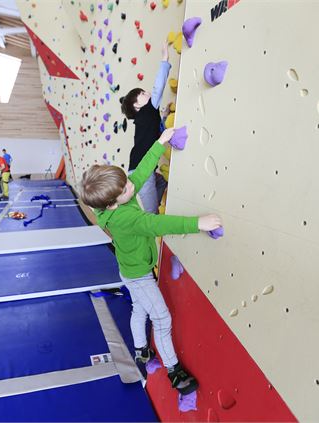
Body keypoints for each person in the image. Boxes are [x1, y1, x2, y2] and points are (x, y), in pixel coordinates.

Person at [79, 128, 223, 395]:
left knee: (139, 310)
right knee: (161, 318)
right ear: (111, 204)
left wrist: (159, 143)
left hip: (131, 269)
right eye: (125, 188)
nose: (131, 186)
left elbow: (140, 174)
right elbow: (156, 223)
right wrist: (197, 223)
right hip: (138, 275)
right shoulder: (124, 218)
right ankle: (173, 371)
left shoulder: (118, 197)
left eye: (126, 181)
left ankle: (140, 348)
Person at [120, 42, 171, 214]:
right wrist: (164, 59)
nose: (147, 93)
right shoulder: (147, 110)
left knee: (163, 182)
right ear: (136, 106)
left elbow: (157, 131)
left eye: (144, 91)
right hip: (141, 171)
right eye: (142, 94)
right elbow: (158, 87)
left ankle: (155, 210)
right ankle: (152, 233)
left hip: (142, 169)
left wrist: (163, 116)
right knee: (151, 214)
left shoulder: (146, 117)